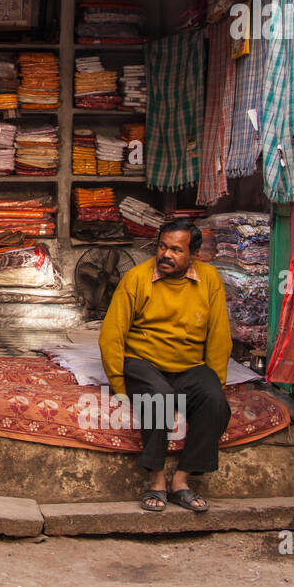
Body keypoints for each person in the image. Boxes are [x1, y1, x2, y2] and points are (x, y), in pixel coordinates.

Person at [98, 219, 232, 513]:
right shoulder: (136, 278)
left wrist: (216, 380)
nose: (165, 255)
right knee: (158, 397)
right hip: (143, 362)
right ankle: (157, 480)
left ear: (193, 254)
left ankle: (181, 481)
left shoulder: (209, 280)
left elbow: (219, 335)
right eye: (161, 246)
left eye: (175, 249)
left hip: (188, 366)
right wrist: (119, 386)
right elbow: (111, 335)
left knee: (215, 401)